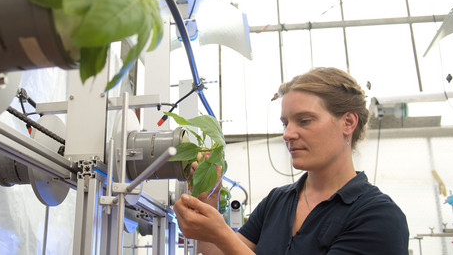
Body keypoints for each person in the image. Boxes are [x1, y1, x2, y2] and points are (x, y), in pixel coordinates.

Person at [173, 67, 409, 254]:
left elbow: (226, 244)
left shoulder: (378, 216)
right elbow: (221, 252)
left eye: (304, 120)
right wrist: (208, 200)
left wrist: (221, 233)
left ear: (348, 122)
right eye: (285, 123)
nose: (287, 134)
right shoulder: (278, 201)